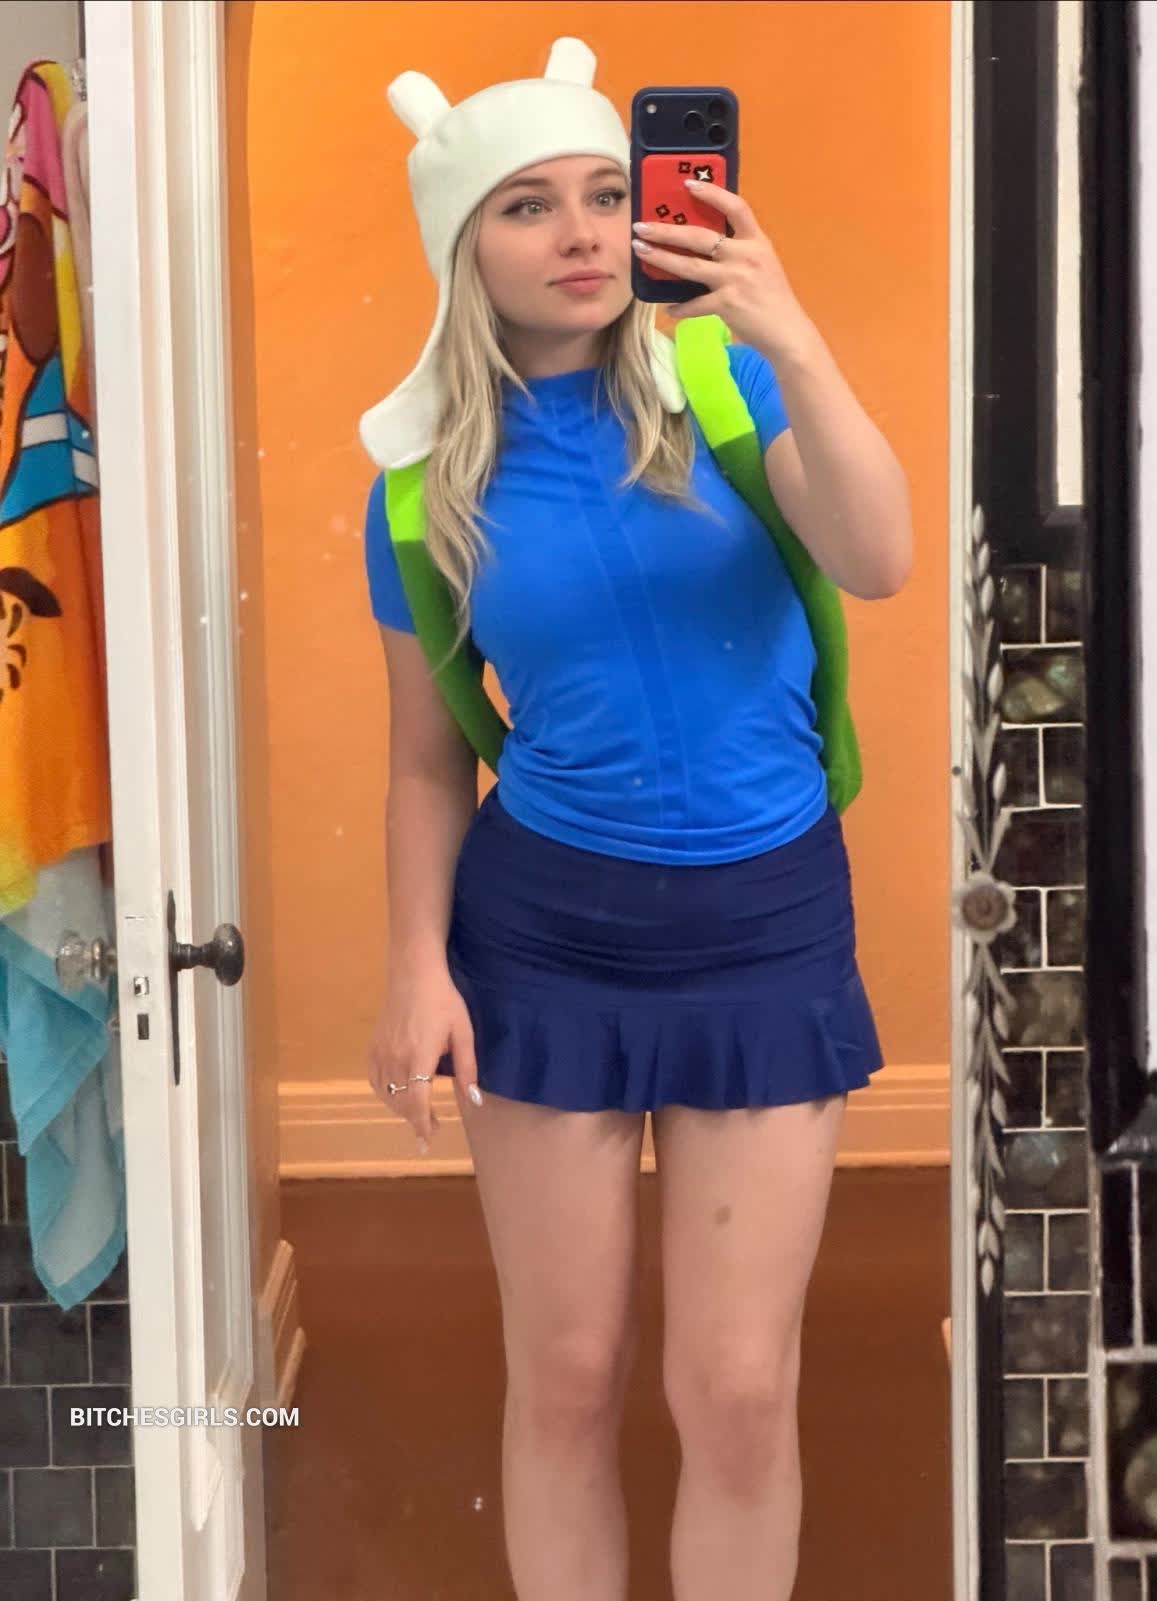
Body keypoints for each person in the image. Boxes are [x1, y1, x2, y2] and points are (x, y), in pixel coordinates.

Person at [361, 36, 911, 1601]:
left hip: (764, 924)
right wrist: (416, 963)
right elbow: (427, 759)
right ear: (464, 247)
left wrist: (791, 332)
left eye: (607, 193)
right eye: (529, 205)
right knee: (567, 1374)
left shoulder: (727, 383)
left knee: (736, 1388)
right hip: (544, 938)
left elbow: (879, 556)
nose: (586, 232)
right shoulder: (416, 489)